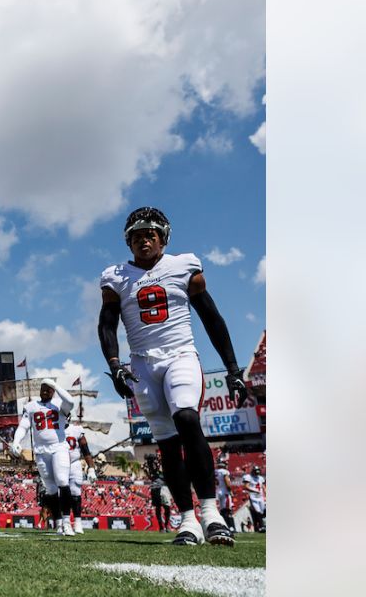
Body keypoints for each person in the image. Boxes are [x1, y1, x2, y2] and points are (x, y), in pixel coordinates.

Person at [98, 207, 247, 546]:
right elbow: (107, 323)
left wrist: (233, 368)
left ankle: (211, 513)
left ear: (163, 238)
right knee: (165, 440)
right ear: (128, 242)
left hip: (180, 354)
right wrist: (115, 363)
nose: (143, 240)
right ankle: (187, 520)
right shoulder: (117, 276)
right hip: (142, 363)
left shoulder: (183, 266)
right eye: (136, 236)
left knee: (186, 416)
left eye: (150, 234)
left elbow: (211, 317)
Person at [11, 379, 77, 536]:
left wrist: (56, 385)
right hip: (41, 450)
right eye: (43, 388)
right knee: (51, 489)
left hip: (59, 447)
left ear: (54, 391)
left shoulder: (59, 405)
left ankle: (67, 522)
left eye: (49, 389)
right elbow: (23, 426)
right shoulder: (31, 407)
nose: (46, 391)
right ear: (39, 390)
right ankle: (59, 523)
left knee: (62, 480)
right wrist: (16, 441)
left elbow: (70, 401)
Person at [64, 422, 95, 534]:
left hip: (74, 463)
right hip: (59, 464)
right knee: (62, 493)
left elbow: (85, 449)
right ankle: (64, 523)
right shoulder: (52, 430)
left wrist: (91, 468)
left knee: (76, 493)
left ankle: (78, 523)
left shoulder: (76, 430)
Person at [242, 466, 266, 533]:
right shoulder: (249, 477)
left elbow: (264, 487)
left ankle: (261, 526)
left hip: (260, 497)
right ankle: (262, 526)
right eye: (256, 471)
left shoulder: (260, 478)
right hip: (253, 497)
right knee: (257, 511)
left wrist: (265, 494)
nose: (257, 473)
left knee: (261, 512)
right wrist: (254, 490)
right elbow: (246, 487)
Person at [214, 457, 235, 531]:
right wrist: (230, 491)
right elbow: (227, 483)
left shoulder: (215, 471)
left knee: (221, 511)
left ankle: (224, 526)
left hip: (217, 491)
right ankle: (231, 527)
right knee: (227, 510)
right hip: (224, 492)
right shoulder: (224, 472)